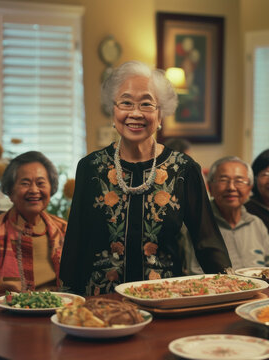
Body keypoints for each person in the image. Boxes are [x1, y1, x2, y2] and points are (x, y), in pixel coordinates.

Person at [59, 60, 231, 296]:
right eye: (126, 102)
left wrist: (231, 290)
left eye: (146, 104)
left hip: (164, 300)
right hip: (101, 303)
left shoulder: (183, 169)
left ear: (161, 115)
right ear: (114, 111)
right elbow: (75, 245)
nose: (135, 113)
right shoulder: (90, 167)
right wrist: (68, 299)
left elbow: (207, 242)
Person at [0, 151, 67, 310]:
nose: (34, 190)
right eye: (25, 183)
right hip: (8, 323)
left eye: (41, 183)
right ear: (10, 191)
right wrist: (7, 314)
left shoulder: (64, 229)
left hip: (61, 318)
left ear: (52, 188)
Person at [207, 156, 269, 269]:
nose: (231, 187)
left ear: (249, 189)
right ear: (210, 187)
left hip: (263, 285)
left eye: (239, 181)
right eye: (223, 180)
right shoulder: (199, 224)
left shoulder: (255, 223)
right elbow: (195, 273)